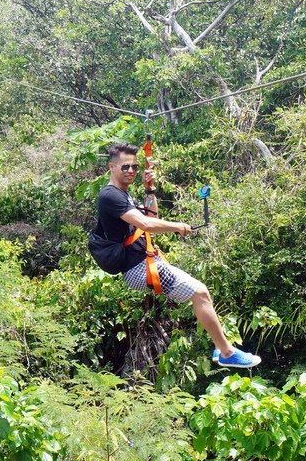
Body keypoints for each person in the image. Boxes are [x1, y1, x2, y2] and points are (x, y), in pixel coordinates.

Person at [95, 142, 261, 368]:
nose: (131, 171)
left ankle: (220, 348)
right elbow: (146, 223)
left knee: (202, 293)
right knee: (200, 293)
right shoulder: (110, 195)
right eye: (126, 167)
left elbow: (151, 214)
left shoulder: (124, 195)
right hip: (138, 268)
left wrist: (149, 189)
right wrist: (177, 226)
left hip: (145, 262)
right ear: (112, 167)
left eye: (134, 167)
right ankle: (227, 352)